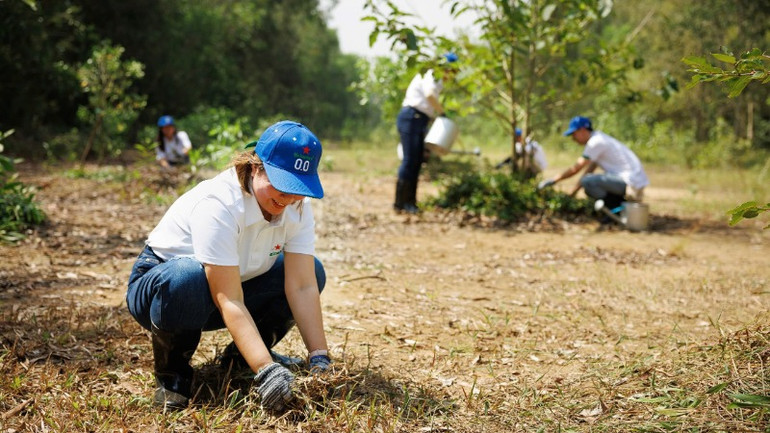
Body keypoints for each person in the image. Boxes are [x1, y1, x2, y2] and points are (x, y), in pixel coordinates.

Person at [126, 120, 332, 411]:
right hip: (165, 291)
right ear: (256, 166)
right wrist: (267, 370)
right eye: (281, 185)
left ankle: (239, 358)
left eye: (297, 188)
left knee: (315, 271)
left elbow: (302, 285)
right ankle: (172, 377)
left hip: (231, 285)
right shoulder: (220, 203)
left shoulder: (297, 205)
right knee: (188, 277)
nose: (287, 199)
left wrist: (320, 358)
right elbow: (228, 298)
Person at [539, 116, 649, 212]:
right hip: (633, 180)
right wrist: (573, 192)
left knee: (588, 182)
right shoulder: (599, 139)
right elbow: (589, 170)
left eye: (574, 134)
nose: (573, 139)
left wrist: (553, 180)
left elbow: (576, 168)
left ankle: (615, 208)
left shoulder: (595, 142)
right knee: (587, 182)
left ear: (582, 130)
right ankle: (615, 208)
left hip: (630, 182)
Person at [394, 52, 458, 214]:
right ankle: (400, 202)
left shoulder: (437, 80)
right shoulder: (431, 74)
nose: (451, 75)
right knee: (409, 160)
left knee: (417, 161)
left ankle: (410, 202)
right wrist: (442, 113)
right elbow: (429, 96)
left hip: (419, 119)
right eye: (452, 71)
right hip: (411, 118)